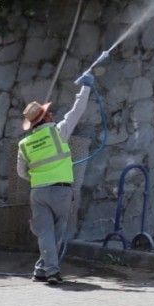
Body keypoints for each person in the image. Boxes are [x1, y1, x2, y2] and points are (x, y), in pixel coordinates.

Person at [17, 74, 94, 284]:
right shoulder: (58, 132)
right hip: (61, 191)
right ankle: (52, 272)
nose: (52, 114)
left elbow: (21, 172)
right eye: (49, 112)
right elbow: (76, 112)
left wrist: (38, 176)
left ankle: (40, 270)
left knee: (45, 234)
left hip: (38, 192)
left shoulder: (24, 144)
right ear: (46, 118)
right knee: (56, 235)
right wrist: (85, 89)